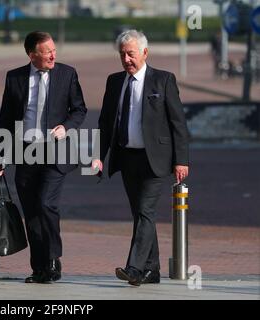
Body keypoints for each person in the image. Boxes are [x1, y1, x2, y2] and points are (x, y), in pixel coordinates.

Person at [92, 30, 189, 286]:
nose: (126, 59)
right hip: (127, 158)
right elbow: (105, 124)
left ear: (145, 53)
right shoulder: (114, 82)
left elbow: (178, 123)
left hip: (155, 160)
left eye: (131, 54)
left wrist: (182, 160)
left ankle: (134, 268)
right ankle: (152, 270)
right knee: (141, 214)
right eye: (122, 54)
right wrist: (98, 157)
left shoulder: (163, 80)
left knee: (145, 211)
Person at [0, 31, 87, 283]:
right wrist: (1, 154)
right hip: (25, 152)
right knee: (32, 211)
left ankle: (53, 258)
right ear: (32, 54)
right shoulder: (14, 78)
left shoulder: (67, 74)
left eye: (54, 50)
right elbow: (6, 117)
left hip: (56, 152)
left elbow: (79, 109)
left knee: (46, 203)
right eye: (48, 52)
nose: (53, 55)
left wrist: (65, 127)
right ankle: (39, 268)